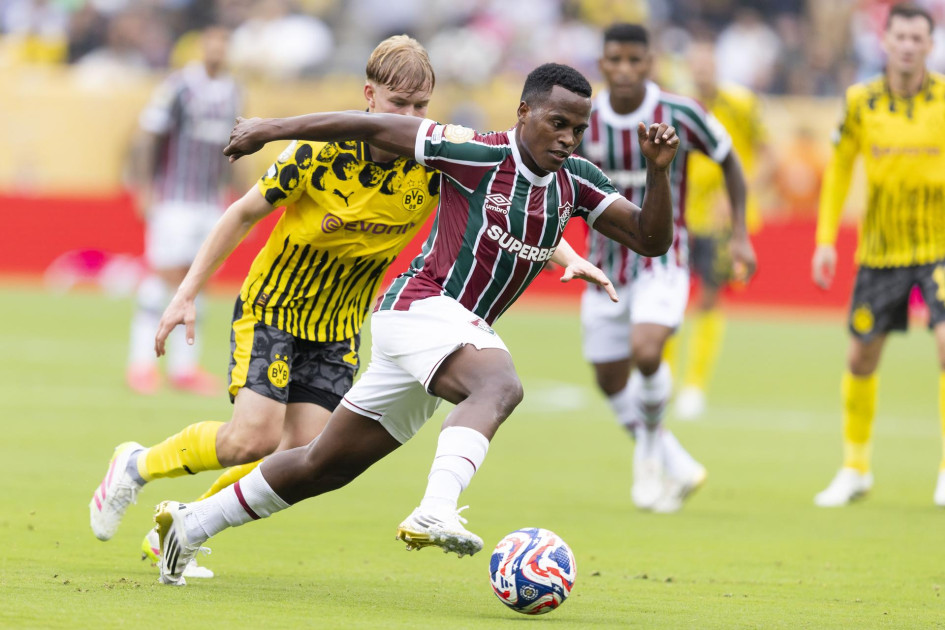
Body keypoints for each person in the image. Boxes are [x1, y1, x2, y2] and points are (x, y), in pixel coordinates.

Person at [151, 62, 680, 586]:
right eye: (557, 123)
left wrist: (658, 172)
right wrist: (271, 129)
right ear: (524, 112)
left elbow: (651, 239)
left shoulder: (577, 182)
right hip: (421, 306)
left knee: (322, 465)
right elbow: (367, 126)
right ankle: (435, 510)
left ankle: (191, 523)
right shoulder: (475, 151)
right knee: (499, 385)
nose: (567, 138)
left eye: (578, 129)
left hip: (447, 334)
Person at [91, 35, 445, 575]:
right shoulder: (320, 152)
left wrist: (561, 253)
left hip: (338, 326)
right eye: (400, 104)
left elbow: (499, 196)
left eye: (421, 106)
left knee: (299, 455)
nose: (412, 119)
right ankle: (136, 465)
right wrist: (186, 293)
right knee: (249, 440)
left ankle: (182, 526)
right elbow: (241, 213)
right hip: (274, 307)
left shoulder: (434, 162)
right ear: (369, 96)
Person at [578, 23, 755, 513]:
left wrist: (740, 232)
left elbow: (729, 159)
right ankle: (675, 461)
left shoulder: (679, 112)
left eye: (635, 60)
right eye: (615, 60)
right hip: (604, 265)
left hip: (664, 260)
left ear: (650, 63)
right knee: (608, 378)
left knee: (647, 350)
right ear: (602, 63)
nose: (625, 70)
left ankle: (649, 457)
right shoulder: (584, 118)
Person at [812, 4, 945, 508]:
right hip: (882, 251)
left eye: (917, 38)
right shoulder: (859, 101)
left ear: (930, 45)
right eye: (900, 37)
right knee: (861, 356)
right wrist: (825, 240)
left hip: (939, 247)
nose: (908, 46)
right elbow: (839, 168)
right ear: (885, 41)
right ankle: (855, 468)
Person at [125, 24, 241, 396]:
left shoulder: (233, 91)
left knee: (198, 280)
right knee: (163, 277)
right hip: (174, 199)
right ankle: (141, 365)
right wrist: (144, 188)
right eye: (212, 43)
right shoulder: (178, 87)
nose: (217, 50)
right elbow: (148, 136)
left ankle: (183, 368)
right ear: (201, 47)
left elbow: (237, 148)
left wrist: (239, 199)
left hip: (210, 202)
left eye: (223, 44)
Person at [673, 34, 774, 420]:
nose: (702, 71)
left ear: (717, 66)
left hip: (720, 221)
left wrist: (736, 198)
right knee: (670, 295)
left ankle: (694, 385)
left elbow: (769, 159)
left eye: (707, 64)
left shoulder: (740, 104)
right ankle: (663, 379)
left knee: (709, 297)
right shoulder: (678, 108)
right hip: (679, 217)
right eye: (695, 65)